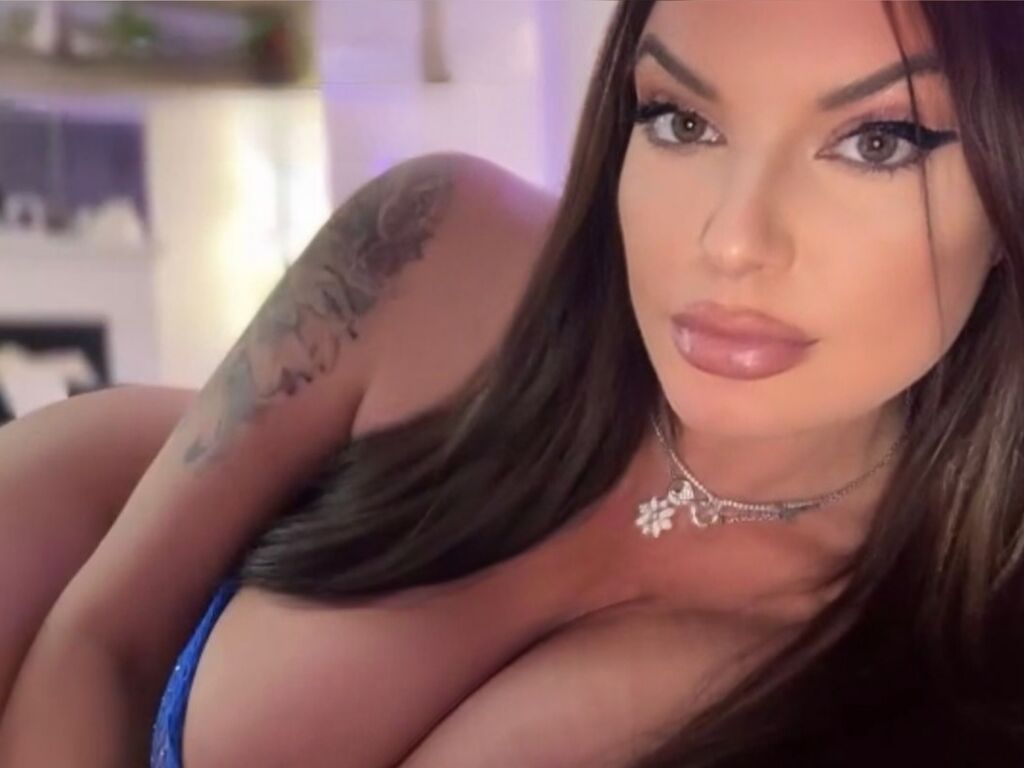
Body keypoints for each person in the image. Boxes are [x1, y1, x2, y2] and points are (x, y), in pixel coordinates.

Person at [2, 1, 1023, 765]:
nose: (731, 241)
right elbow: (99, 640)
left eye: (877, 142)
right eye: (681, 121)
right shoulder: (436, 247)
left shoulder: (951, 677)